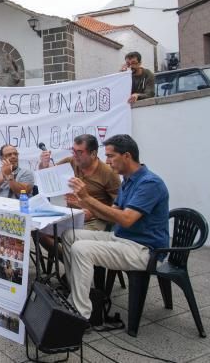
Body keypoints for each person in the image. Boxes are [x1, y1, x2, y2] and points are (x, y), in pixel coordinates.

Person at [62, 134, 169, 321]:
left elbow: (126, 219)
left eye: (111, 156)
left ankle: (80, 315)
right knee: (69, 235)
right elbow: (111, 212)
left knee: (81, 249)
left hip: (144, 249)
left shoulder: (150, 183)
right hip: (122, 239)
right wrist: (82, 204)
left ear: (126, 156)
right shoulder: (128, 180)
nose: (108, 161)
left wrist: (87, 197)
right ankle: (78, 295)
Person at [39, 134, 120, 231]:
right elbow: (48, 176)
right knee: (41, 231)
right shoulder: (70, 161)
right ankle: (62, 246)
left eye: (79, 152)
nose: (75, 155)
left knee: (73, 237)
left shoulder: (108, 173)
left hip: (95, 220)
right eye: (73, 151)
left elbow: (119, 206)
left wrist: (94, 212)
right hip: (71, 215)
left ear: (93, 154)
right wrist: (44, 164)